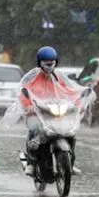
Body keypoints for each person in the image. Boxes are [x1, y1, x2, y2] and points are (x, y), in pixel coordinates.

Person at [19, 46, 82, 177]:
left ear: (56, 62)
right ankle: (31, 163)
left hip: (55, 111)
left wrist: (77, 102)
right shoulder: (32, 76)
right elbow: (24, 92)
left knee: (70, 134)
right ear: (40, 63)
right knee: (33, 130)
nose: (49, 66)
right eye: (46, 63)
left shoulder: (59, 76)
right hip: (38, 111)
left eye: (51, 63)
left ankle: (71, 162)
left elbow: (69, 90)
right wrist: (28, 105)